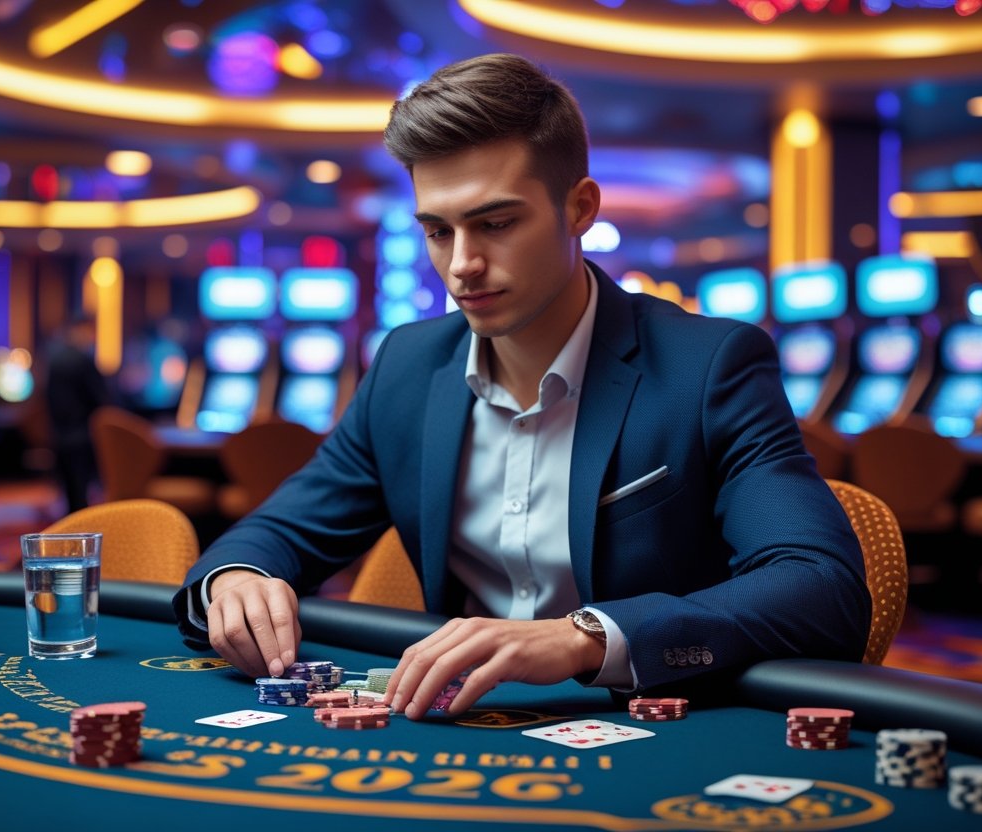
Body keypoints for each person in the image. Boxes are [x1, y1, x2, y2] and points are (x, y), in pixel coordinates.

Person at [174, 53, 870, 720]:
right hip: (458, 728)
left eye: (497, 223)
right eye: (438, 231)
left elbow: (820, 587)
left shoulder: (709, 364)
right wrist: (237, 577)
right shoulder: (407, 367)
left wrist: (585, 637)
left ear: (580, 208)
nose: (462, 265)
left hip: (649, 728)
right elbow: (279, 531)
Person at [45, 315, 110, 514]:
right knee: (82, 491)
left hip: (59, 434)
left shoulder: (54, 359)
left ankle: (71, 524)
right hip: (83, 434)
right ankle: (82, 526)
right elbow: (101, 399)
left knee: (69, 491)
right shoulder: (83, 361)